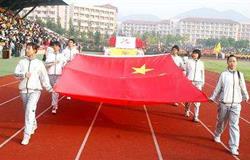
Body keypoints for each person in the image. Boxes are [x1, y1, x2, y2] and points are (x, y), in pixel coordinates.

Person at [210, 54, 249, 156]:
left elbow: (243, 87)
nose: (232, 63)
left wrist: (246, 96)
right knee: (221, 122)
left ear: (236, 63)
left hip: (236, 105)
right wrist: (213, 97)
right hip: (224, 104)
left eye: (234, 61)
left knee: (234, 125)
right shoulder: (223, 74)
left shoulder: (240, 74)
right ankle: (217, 134)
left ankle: (234, 147)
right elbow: (218, 88)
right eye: (230, 61)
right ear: (227, 62)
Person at [14, 42, 53, 145]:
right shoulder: (22, 62)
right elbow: (15, 74)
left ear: (35, 50)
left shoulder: (39, 63)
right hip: (23, 91)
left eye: (29, 48)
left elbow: (44, 77)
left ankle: (26, 135)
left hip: (35, 91)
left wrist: (49, 88)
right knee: (28, 111)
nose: (27, 50)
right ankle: (34, 124)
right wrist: (23, 75)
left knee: (28, 112)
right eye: (26, 48)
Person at [45, 41, 67, 114]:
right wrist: (53, 63)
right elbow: (46, 64)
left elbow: (65, 65)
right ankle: (54, 103)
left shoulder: (62, 56)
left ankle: (54, 105)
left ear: (59, 47)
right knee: (52, 90)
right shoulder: (50, 55)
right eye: (54, 46)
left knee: (55, 90)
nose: (55, 47)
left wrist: (64, 68)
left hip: (58, 74)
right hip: (50, 74)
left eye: (56, 46)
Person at [184, 49, 205, 122]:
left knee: (197, 100)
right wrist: (185, 81)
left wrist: (203, 82)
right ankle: (187, 110)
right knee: (188, 98)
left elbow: (202, 73)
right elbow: (185, 71)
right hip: (190, 81)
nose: (194, 54)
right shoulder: (188, 62)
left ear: (199, 55)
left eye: (196, 53)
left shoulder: (201, 63)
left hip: (198, 82)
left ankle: (196, 116)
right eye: (193, 53)